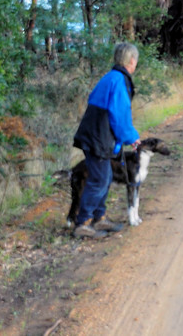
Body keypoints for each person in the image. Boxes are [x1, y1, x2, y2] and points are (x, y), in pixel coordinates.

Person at [72, 42, 141, 238]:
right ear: (132, 61)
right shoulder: (119, 81)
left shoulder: (110, 77)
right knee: (99, 179)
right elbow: (119, 116)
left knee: (105, 177)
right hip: (98, 138)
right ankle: (82, 223)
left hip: (95, 135)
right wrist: (132, 138)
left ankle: (99, 218)